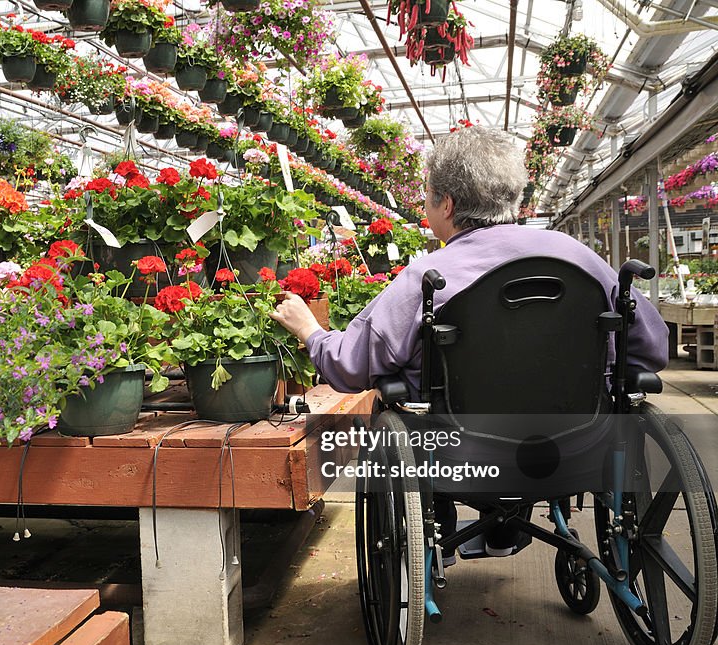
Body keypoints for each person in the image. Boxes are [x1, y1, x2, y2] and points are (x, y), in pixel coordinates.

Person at [269, 125, 669, 556]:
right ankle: (507, 525)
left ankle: (440, 529)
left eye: (427, 195)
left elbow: (350, 368)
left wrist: (311, 330)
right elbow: (653, 349)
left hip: (462, 454)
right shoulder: (579, 259)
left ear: (447, 203)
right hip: (583, 442)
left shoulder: (429, 276)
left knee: (404, 403)